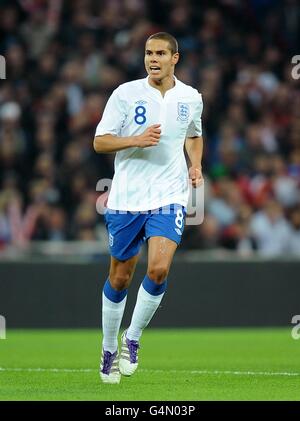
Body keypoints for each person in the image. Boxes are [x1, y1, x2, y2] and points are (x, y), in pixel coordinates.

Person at [93, 32, 204, 384]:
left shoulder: (191, 97)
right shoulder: (125, 93)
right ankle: (109, 346)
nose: (152, 59)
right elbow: (100, 141)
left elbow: (194, 134)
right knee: (120, 277)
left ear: (175, 58)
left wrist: (195, 164)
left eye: (159, 53)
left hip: (169, 195)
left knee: (157, 270)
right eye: (148, 53)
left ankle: (133, 337)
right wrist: (135, 139)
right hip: (126, 198)